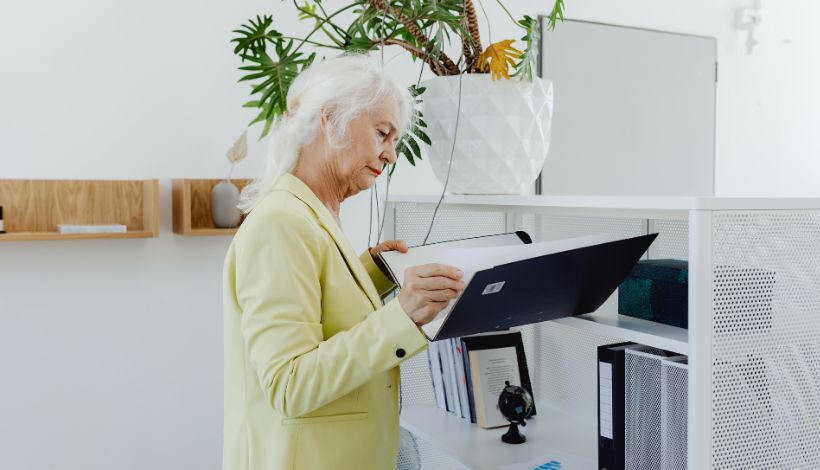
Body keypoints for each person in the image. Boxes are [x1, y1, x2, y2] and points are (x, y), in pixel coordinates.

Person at [222, 54, 465, 470]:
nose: (389, 155)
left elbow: (318, 310)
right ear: (331, 119)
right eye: (383, 133)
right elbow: (289, 384)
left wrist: (371, 272)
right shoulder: (281, 222)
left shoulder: (310, 214)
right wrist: (403, 317)